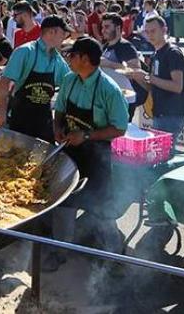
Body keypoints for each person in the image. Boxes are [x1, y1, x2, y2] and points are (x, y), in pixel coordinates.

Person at [42, 36, 129, 271]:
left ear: (85, 59)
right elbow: (60, 110)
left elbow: (120, 128)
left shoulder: (109, 89)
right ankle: (60, 252)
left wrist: (87, 135)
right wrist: (58, 128)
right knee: (64, 204)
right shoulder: (69, 80)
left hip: (96, 157)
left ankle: (115, 256)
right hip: (70, 153)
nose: (68, 59)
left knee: (101, 207)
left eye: (72, 55)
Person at [0, 16, 70, 141]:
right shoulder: (24, 52)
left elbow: (69, 86)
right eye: (63, 33)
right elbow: (5, 81)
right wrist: (2, 111)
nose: (64, 37)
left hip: (44, 121)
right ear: (52, 32)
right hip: (20, 118)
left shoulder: (58, 60)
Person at [129, 16, 184, 142]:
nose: (150, 35)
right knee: (159, 151)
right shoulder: (157, 54)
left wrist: (148, 77)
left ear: (164, 30)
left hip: (170, 115)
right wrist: (138, 76)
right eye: (147, 32)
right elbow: (152, 85)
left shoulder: (172, 53)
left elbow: (177, 86)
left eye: (153, 31)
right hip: (159, 112)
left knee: (164, 152)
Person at [99, 13, 143, 120]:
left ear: (118, 28)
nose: (103, 30)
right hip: (108, 100)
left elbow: (135, 71)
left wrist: (109, 64)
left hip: (124, 100)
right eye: (102, 27)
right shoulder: (105, 46)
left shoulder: (125, 47)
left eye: (107, 27)